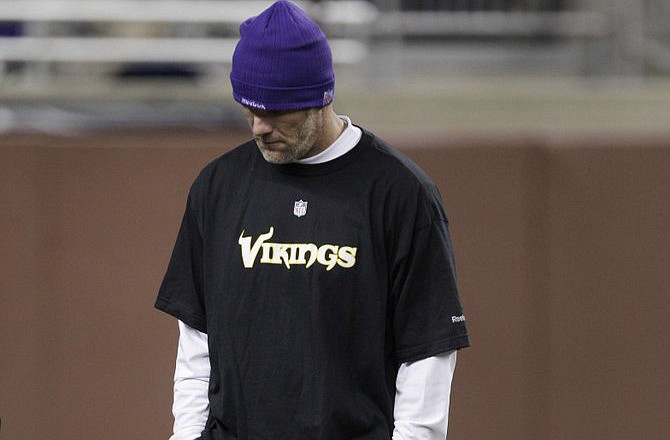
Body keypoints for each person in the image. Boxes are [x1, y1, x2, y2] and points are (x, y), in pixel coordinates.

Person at [155, 1, 470, 439]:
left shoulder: (401, 194)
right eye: (248, 109)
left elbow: (427, 355)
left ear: (320, 98)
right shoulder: (217, 186)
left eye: (275, 111)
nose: (259, 127)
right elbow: (196, 341)